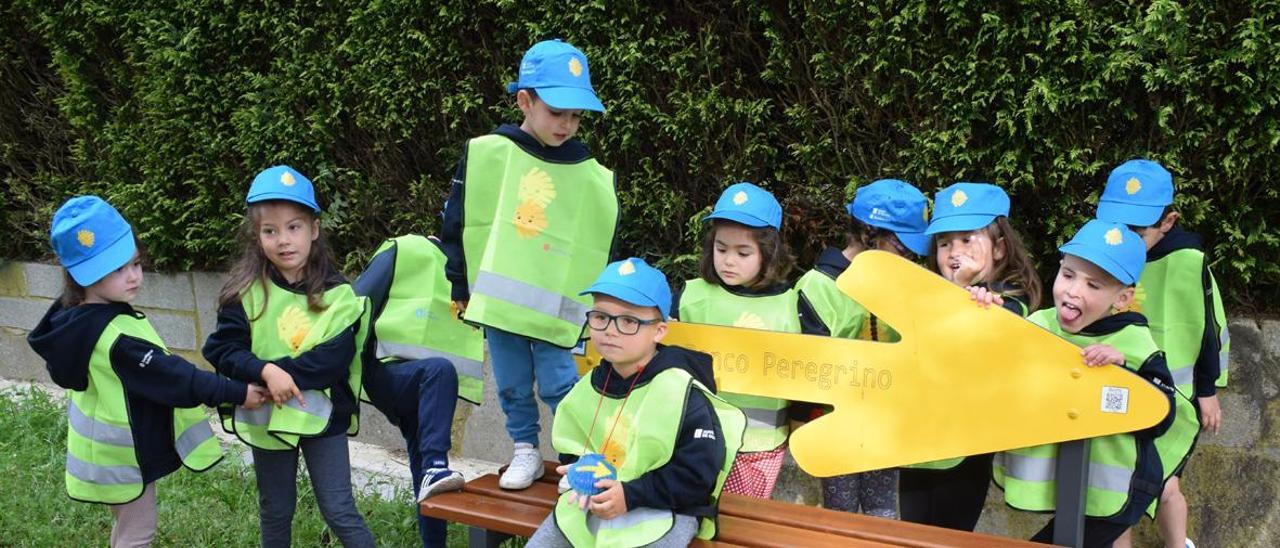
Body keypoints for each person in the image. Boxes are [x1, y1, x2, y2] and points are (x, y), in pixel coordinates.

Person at [28, 195, 268, 547]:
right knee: (138, 532)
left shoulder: (73, 317)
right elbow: (176, 377)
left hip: (105, 456)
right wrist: (238, 393)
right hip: (122, 457)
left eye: (135, 264)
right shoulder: (116, 339)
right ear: (83, 277)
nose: (133, 277)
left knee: (126, 528)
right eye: (116, 270)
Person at [438, 38, 617, 490]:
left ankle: (577, 456)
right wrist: (459, 282)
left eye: (576, 116)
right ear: (525, 100)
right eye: (558, 112)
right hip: (501, 304)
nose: (568, 124)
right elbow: (458, 219)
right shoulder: (491, 153)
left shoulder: (587, 169)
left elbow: (597, 240)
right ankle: (525, 451)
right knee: (514, 383)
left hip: (557, 307)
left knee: (561, 382)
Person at [202, 165, 374, 547]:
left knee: (339, 510)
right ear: (256, 235)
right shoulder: (243, 292)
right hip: (268, 420)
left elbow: (333, 359)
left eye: (294, 227)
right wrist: (265, 370)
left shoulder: (338, 295)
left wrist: (277, 376)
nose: (283, 240)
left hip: (323, 419)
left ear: (314, 229)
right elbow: (221, 349)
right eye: (270, 230)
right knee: (276, 511)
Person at [981, 219, 1177, 548]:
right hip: (1071, 485)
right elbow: (992, 361)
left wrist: (1123, 373)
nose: (1073, 291)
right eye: (1068, 275)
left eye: (1094, 286)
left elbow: (1163, 413)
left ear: (1122, 298)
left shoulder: (1134, 343)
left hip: (1123, 486)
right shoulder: (1038, 324)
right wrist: (982, 311)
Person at [527, 258, 745, 547]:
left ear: (659, 331)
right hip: (597, 500)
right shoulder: (590, 384)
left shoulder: (680, 389)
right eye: (601, 317)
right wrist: (580, 470)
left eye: (629, 321)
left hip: (665, 507)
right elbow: (572, 447)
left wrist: (630, 495)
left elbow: (697, 477)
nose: (610, 330)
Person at [1095, 159, 1226, 548]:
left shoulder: (1188, 260)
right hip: (1116, 390)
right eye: (1116, 224)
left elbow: (1208, 327)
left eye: (1137, 229)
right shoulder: (1104, 250)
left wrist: (1207, 389)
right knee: (1119, 485)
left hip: (1175, 398)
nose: (1125, 236)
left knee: (1168, 484)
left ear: (1168, 221)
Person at [899, 181, 1041, 531]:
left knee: (950, 533)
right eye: (944, 243)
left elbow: (1004, 341)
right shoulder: (930, 293)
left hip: (967, 443)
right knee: (911, 531)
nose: (953, 252)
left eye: (966, 239)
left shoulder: (1008, 298)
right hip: (918, 438)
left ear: (999, 248)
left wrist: (974, 305)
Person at [672, 181, 825, 500]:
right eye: (721, 248)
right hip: (692, 438)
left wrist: (801, 428)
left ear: (768, 254)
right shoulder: (690, 298)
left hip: (757, 448)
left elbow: (811, 371)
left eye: (743, 252)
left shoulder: (791, 307)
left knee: (738, 522)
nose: (729, 260)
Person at [792, 178, 931, 518]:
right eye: (902, 247)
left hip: (886, 424)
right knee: (839, 517)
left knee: (883, 513)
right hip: (838, 424)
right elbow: (810, 368)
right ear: (870, 232)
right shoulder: (820, 286)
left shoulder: (900, 284)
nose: (910, 257)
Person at [353, 234, 481, 547]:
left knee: (425, 473)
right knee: (440, 371)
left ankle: (433, 539)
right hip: (387, 371)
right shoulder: (408, 249)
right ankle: (437, 466)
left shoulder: (472, 273)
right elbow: (356, 301)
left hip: (427, 389)